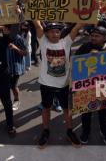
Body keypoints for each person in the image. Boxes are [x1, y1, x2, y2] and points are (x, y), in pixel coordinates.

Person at [32, 20, 84, 148]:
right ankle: (45, 131)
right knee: (46, 108)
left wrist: (92, 10)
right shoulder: (43, 42)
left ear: (60, 33)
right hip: (46, 84)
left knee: (67, 109)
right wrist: (29, 4)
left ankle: (69, 131)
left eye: (57, 31)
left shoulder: (66, 42)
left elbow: (77, 26)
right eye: (51, 32)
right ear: (46, 34)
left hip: (64, 85)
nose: (55, 34)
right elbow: (37, 24)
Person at [74, 26, 106, 145]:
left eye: (97, 36)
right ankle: (85, 132)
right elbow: (75, 62)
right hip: (87, 85)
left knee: (103, 111)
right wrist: (88, 58)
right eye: (92, 35)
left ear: (105, 38)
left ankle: (105, 132)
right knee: (86, 111)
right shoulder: (85, 47)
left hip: (103, 87)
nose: (93, 38)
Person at [4, 25, 27, 111]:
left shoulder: (18, 38)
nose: (3, 30)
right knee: (2, 84)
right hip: (5, 67)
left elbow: (25, 53)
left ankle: (16, 100)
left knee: (13, 86)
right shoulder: (3, 38)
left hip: (15, 68)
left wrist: (15, 48)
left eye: (5, 29)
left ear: (10, 30)